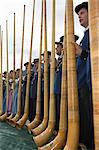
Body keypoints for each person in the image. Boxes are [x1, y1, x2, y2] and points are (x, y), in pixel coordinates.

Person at [73, 2, 94, 149]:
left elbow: (93, 55)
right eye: (78, 14)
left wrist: (82, 53)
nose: (79, 17)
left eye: (82, 13)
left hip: (90, 82)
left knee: (91, 118)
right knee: (85, 117)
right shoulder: (85, 34)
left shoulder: (94, 32)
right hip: (82, 83)